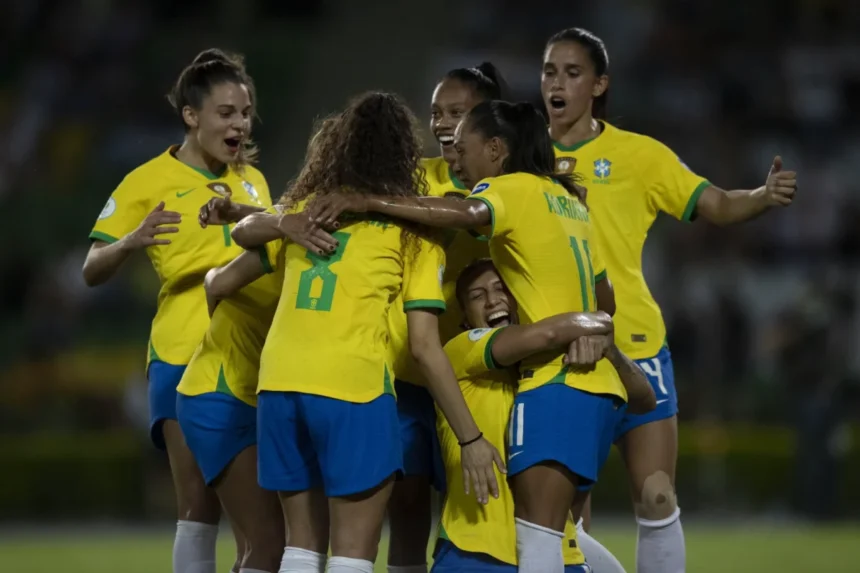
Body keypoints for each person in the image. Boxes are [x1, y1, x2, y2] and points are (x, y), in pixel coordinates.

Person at [306, 99, 634, 573]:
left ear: (497, 150)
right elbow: (606, 301)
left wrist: (369, 200)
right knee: (564, 535)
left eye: (464, 147)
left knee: (537, 541)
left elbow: (463, 213)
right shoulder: (569, 204)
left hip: (555, 382)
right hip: (599, 387)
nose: (455, 159)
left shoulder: (511, 188)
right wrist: (592, 327)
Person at [542, 27, 798, 573]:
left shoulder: (639, 155)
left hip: (635, 341)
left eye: (572, 72)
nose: (556, 83)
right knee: (566, 517)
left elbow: (717, 203)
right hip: (555, 347)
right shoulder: (522, 155)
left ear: (599, 84)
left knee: (657, 498)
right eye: (549, 71)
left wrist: (762, 196)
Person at [229, 92, 505, 573]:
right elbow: (423, 346)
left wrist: (281, 222)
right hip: (351, 387)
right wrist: (470, 437)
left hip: (278, 384)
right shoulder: (415, 233)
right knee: (353, 554)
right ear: (404, 153)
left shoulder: (306, 210)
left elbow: (243, 233)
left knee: (301, 547)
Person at [81, 49, 273, 573]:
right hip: (184, 353)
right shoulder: (146, 181)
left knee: (261, 516)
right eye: (226, 112)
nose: (239, 123)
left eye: (246, 111)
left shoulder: (252, 180)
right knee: (199, 508)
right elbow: (91, 268)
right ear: (192, 116)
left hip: (252, 355)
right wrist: (130, 242)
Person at [432, 257, 652, 573]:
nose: (493, 300)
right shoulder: (461, 350)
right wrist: (598, 322)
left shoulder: (558, 360)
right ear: (465, 318)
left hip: (558, 551)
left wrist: (609, 351)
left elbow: (644, 401)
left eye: (501, 288)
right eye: (478, 296)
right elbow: (544, 334)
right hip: (478, 553)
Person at [385, 62, 509, 573]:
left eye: (456, 112)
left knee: (493, 497)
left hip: (488, 373)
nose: (441, 123)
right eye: (436, 111)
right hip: (414, 373)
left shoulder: (512, 182)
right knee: (410, 501)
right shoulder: (414, 176)